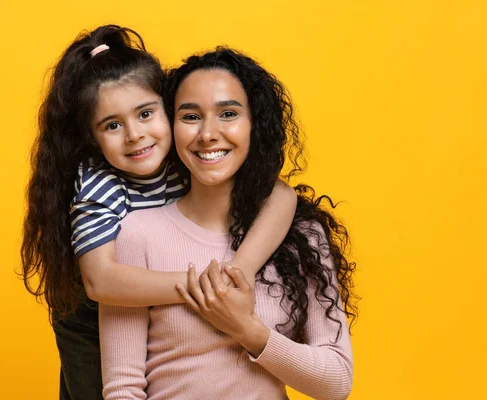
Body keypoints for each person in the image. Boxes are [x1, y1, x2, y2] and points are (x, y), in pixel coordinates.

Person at [21, 26, 297, 399]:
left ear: (169, 111)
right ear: (92, 137)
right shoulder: (99, 185)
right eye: (113, 125)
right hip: (92, 321)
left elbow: (280, 196)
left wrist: (239, 271)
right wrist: (207, 288)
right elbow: (100, 281)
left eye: (146, 113)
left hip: (155, 311)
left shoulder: (184, 157)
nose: (135, 135)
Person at [99, 47, 357, 400]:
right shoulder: (138, 234)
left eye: (228, 114)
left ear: (255, 124)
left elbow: (336, 382)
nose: (208, 134)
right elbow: (122, 389)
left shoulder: (299, 235)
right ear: (170, 127)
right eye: (190, 117)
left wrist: (246, 328)